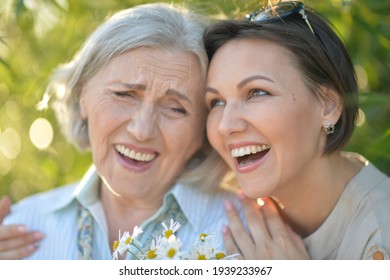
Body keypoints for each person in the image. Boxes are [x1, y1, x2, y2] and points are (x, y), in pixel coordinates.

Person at [0, 3, 240, 260]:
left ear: (203, 129)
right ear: (82, 94)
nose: (141, 130)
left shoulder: (247, 239)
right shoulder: (21, 229)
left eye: (175, 108)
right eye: (124, 95)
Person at [203, 1, 390, 259]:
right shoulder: (228, 222)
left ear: (328, 106)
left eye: (257, 92)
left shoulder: (380, 236)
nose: (225, 124)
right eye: (216, 102)